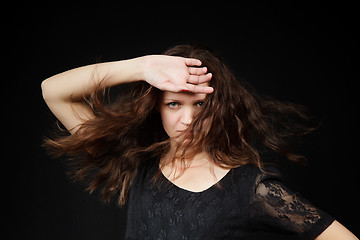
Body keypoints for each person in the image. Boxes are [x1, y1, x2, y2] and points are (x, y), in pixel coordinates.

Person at [41, 44, 357, 239]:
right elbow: (53, 91)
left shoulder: (251, 189)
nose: (189, 119)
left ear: (219, 108)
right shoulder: (138, 163)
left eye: (201, 105)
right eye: (174, 104)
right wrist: (142, 67)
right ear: (158, 109)